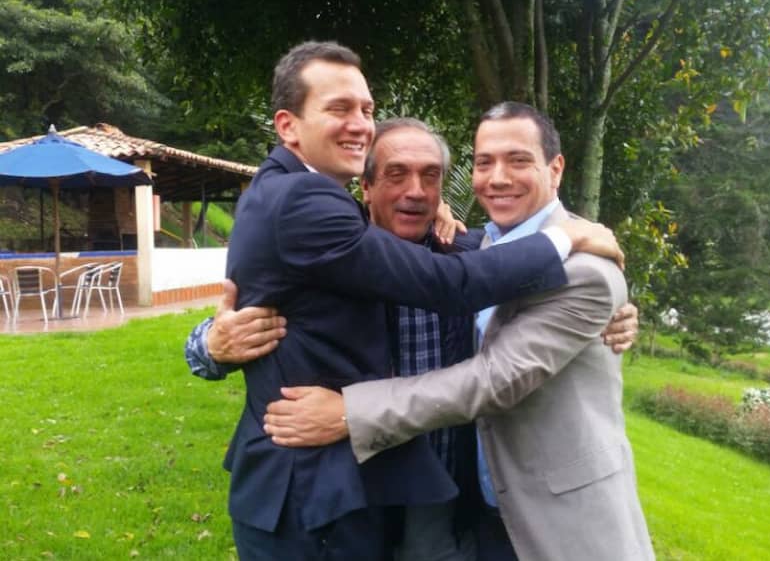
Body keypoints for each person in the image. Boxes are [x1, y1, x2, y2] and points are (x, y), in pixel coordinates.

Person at [197, 40, 625, 561]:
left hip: (437, 494)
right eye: (396, 174)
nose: (415, 192)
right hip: (324, 491)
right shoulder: (333, 234)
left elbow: (513, 288)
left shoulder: (467, 251)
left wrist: (615, 309)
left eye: (430, 177)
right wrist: (209, 345)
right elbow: (260, 304)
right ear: (366, 188)